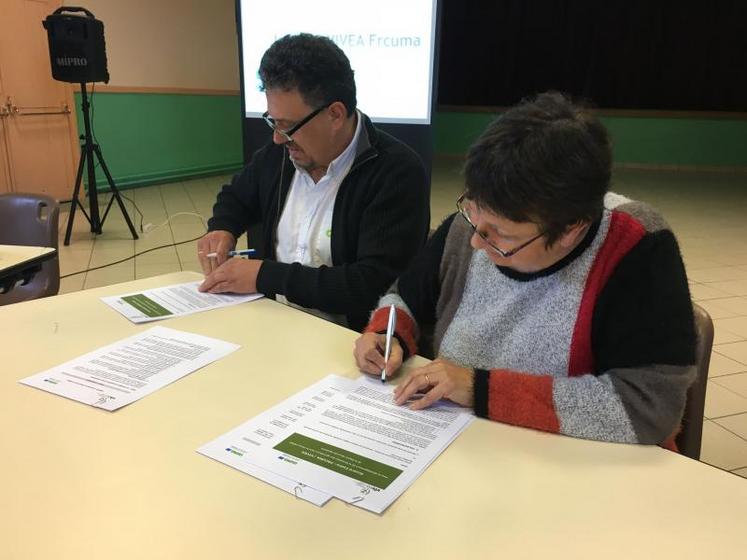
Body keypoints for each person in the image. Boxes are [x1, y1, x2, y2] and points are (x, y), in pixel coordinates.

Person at [354, 92, 696, 447]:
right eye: (472, 208)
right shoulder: (477, 220)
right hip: (460, 444)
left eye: (501, 234)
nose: (476, 242)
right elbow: (406, 295)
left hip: (574, 464)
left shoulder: (636, 248)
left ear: (571, 229)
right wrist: (387, 333)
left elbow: (649, 407)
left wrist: (478, 388)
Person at [197, 33, 429, 331]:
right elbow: (236, 197)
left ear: (335, 114)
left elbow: (371, 285)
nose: (278, 138)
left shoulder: (396, 171)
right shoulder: (279, 154)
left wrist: (264, 275)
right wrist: (222, 227)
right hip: (271, 325)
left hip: (350, 343)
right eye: (273, 121)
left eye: (288, 126)